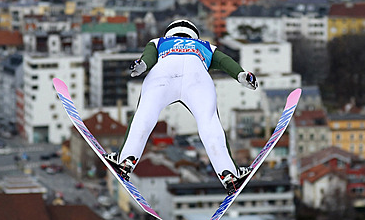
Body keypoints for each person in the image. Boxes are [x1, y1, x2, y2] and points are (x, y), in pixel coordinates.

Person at [105, 19, 259, 195]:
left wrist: (141, 66)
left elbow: (147, 58)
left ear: (169, 32)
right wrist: (241, 75)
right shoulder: (206, 46)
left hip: (163, 76)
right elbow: (225, 62)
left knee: (144, 115)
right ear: (194, 34)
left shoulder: (159, 42)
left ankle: (126, 160)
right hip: (197, 78)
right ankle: (229, 174)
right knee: (209, 123)